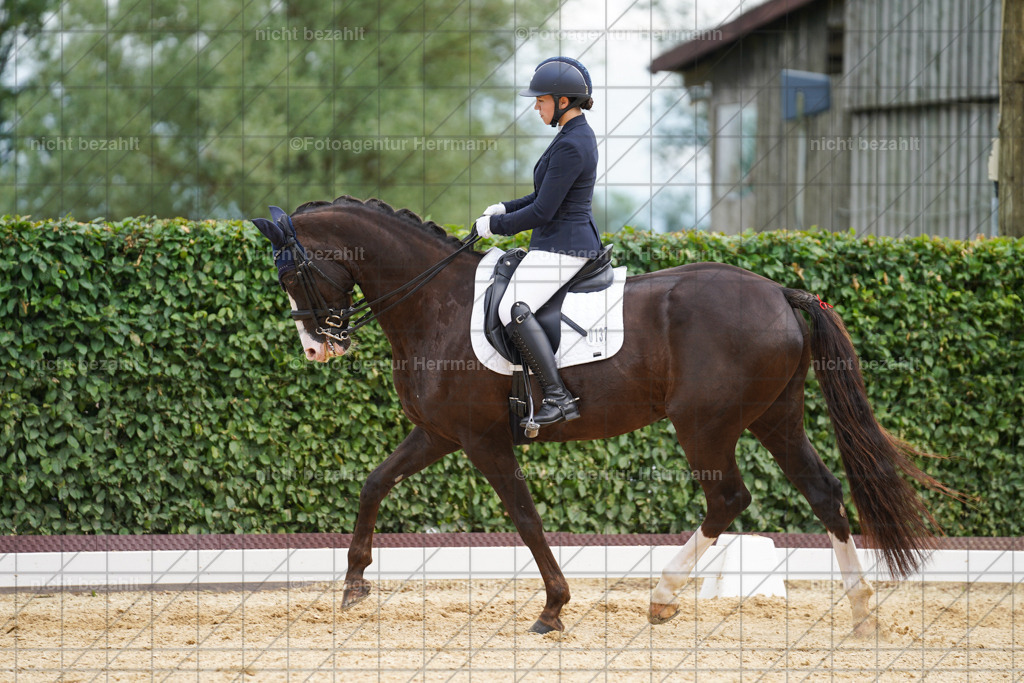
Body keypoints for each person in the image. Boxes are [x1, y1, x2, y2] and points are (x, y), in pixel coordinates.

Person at [474, 56, 602, 429]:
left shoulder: (571, 145)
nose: (535, 106)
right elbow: (542, 195)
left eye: (541, 100)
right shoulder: (571, 136)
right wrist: (504, 207)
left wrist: (497, 225)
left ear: (563, 102)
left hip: (565, 245)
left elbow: (544, 211)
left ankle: (559, 397)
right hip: (559, 240)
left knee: (512, 308)